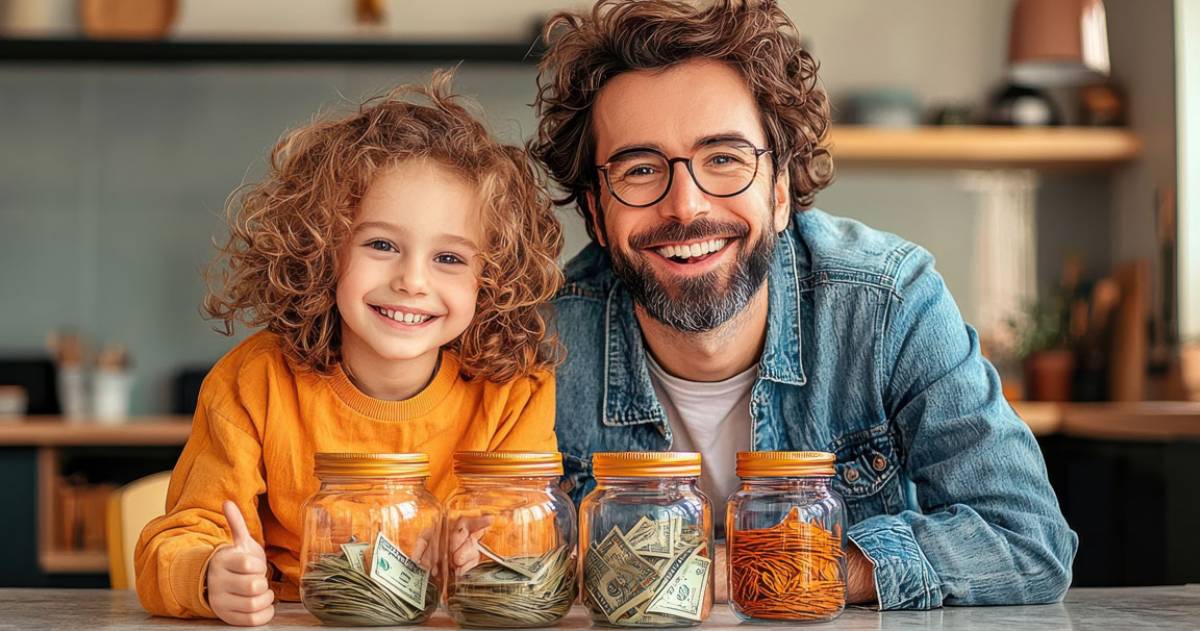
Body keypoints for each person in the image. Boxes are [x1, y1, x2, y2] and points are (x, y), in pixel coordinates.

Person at [532, 0, 1077, 609]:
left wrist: (752, 572)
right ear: (596, 212)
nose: (685, 205)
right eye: (639, 169)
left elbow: (1026, 539)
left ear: (781, 192)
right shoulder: (538, 342)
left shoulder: (888, 302)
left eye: (724, 159)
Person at [135, 74, 563, 626]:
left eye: (449, 258)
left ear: (493, 277)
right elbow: (176, 542)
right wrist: (209, 573)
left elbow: (523, 552)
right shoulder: (255, 380)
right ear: (322, 249)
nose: (412, 281)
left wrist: (479, 561)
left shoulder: (514, 392)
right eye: (381, 244)